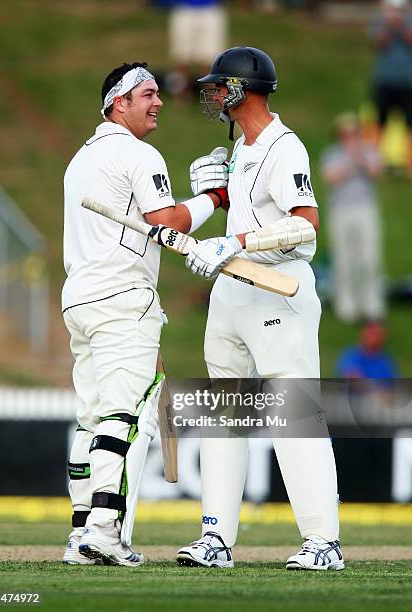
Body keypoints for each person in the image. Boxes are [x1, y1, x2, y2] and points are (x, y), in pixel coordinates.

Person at [175, 47, 344, 570]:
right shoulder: (240, 149)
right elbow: (241, 213)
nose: (211, 95)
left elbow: (306, 225)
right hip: (232, 295)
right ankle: (216, 539)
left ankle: (324, 542)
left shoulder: (283, 147)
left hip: (277, 290)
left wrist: (237, 241)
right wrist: (217, 207)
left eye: (218, 86)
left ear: (240, 90)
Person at [61, 61, 229, 566]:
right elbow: (168, 222)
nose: (158, 103)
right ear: (120, 102)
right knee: (122, 417)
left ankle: (80, 532)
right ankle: (104, 533)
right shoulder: (138, 153)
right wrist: (214, 198)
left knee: (90, 420)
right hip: (122, 299)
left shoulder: (80, 159)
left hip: (81, 299)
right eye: (148, 94)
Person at [320, 112, 385, 323]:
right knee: (344, 259)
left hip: (365, 209)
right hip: (341, 211)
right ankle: (346, 306)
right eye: (346, 133)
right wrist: (349, 159)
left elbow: (376, 172)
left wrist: (358, 156)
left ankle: (372, 304)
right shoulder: (332, 154)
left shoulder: (368, 152)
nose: (350, 137)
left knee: (369, 257)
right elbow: (331, 177)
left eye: (354, 132)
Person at [369, 0, 412, 174]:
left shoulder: (409, 22)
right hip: (385, 80)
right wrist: (389, 26)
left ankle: (409, 163)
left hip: (408, 81)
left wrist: (400, 26)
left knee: (410, 123)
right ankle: (375, 162)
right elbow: (379, 44)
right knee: (380, 122)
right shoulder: (380, 22)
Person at [166, 0, 228, 100]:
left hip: (211, 9)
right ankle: (181, 98)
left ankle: (212, 99)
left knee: (211, 59)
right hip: (183, 8)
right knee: (182, 58)